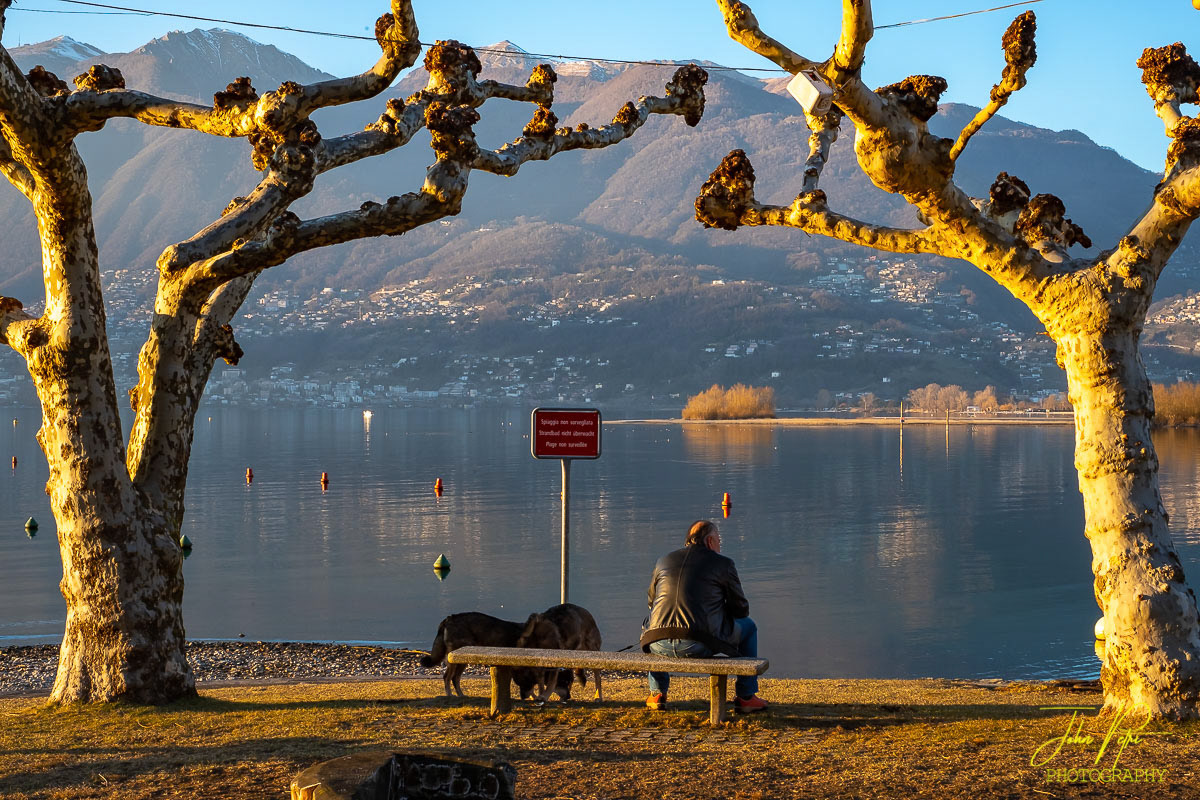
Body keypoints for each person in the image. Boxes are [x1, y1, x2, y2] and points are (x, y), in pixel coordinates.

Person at [640, 519, 766, 713]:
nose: (720, 544)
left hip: (659, 643)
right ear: (709, 542)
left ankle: (657, 693)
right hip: (697, 644)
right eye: (718, 539)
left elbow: (652, 602)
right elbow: (741, 610)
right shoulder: (723, 564)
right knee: (749, 627)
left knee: (650, 623)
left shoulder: (664, 560)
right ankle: (746, 696)